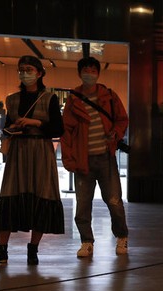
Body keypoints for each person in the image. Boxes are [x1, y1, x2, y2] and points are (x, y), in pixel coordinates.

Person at [0, 55, 64, 266]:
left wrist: (36, 122)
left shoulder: (50, 98)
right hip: (18, 151)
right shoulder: (13, 99)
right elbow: (6, 127)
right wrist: (12, 128)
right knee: (9, 195)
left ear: (39, 73)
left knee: (42, 195)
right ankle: (1, 250)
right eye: (21, 69)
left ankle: (33, 248)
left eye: (29, 69)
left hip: (41, 152)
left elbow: (58, 129)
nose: (24, 73)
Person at [61, 57, 130, 258]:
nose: (89, 73)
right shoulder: (74, 99)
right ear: (79, 73)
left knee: (114, 200)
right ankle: (86, 242)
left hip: (106, 158)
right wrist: (69, 160)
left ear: (98, 73)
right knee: (83, 204)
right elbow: (66, 131)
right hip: (83, 160)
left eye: (92, 70)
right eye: (85, 70)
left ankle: (122, 237)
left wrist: (116, 134)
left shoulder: (108, 96)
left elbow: (122, 119)